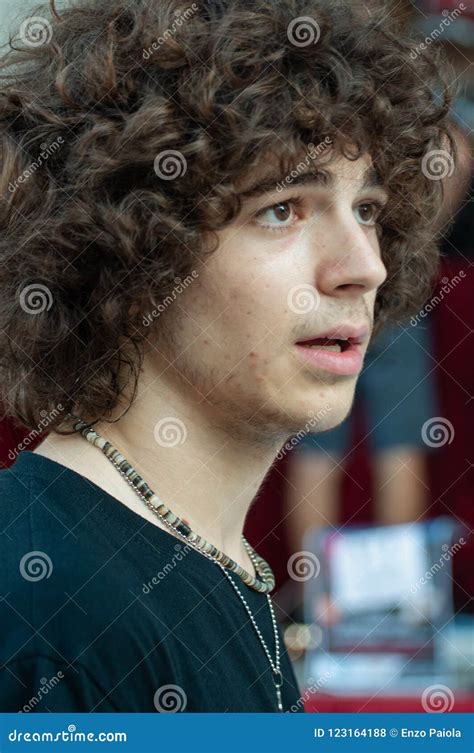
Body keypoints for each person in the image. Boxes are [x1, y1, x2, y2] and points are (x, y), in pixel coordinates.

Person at [0, 0, 455, 713]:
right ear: (134, 251)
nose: (365, 266)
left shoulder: (219, 566)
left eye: (366, 209)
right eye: (283, 208)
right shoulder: (45, 620)